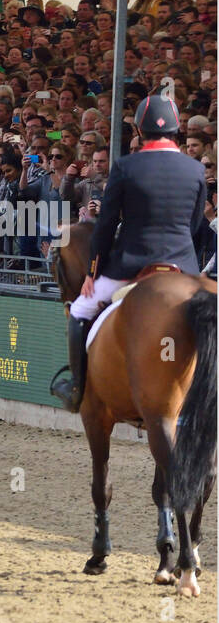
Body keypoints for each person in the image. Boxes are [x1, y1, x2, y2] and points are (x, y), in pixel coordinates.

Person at [51, 94, 210, 412]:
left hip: (132, 263)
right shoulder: (194, 169)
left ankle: (78, 387)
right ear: (177, 130)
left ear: (139, 128)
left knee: (81, 310)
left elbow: (106, 226)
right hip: (184, 265)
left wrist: (93, 273)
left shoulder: (126, 166)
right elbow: (195, 225)